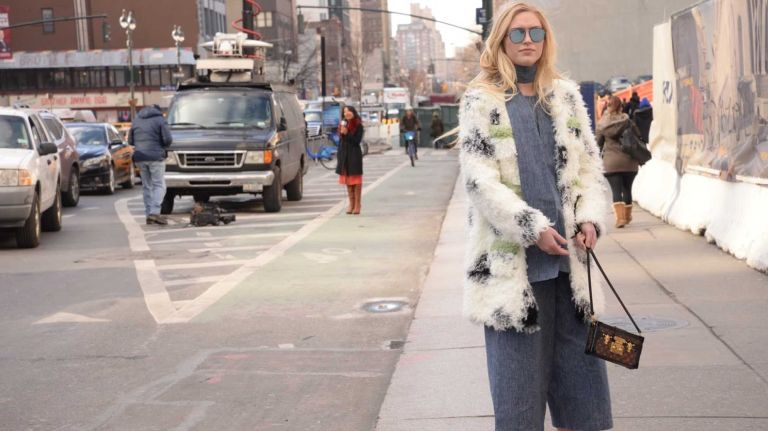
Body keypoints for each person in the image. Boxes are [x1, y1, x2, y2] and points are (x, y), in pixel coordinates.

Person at [458, 3, 611, 431]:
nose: (528, 41)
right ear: (502, 41)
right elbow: (479, 182)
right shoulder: (482, 100)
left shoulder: (564, 96)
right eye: (518, 33)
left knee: (585, 406)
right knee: (519, 409)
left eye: (535, 33)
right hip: (514, 274)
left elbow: (587, 172)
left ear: (546, 40)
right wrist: (532, 227)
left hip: (570, 272)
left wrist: (588, 219)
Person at [596, 95, 639, 228]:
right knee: (627, 189)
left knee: (616, 190)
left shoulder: (602, 124)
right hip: (629, 161)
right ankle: (626, 216)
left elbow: (598, 144)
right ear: (621, 107)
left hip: (611, 162)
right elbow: (637, 137)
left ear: (608, 107)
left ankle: (620, 219)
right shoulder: (628, 121)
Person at [129, 105, 173, 225]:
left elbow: (130, 141)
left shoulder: (136, 119)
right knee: (159, 185)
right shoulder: (160, 119)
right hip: (155, 157)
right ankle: (154, 212)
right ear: (158, 111)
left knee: (147, 186)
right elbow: (168, 139)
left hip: (140, 157)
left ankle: (149, 214)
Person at [336, 106, 364, 215]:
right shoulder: (343, 125)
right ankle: (351, 204)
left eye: (348, 111)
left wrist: (347, 133)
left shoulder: (358, 125)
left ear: (353, 112)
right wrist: (342, 133)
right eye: (344, 111)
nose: (346, 113)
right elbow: (341, 141)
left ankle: (357, 204)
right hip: (344, 154)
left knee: (355, 180)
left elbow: (356, 141)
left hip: (354, 154)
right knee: (348, 180)